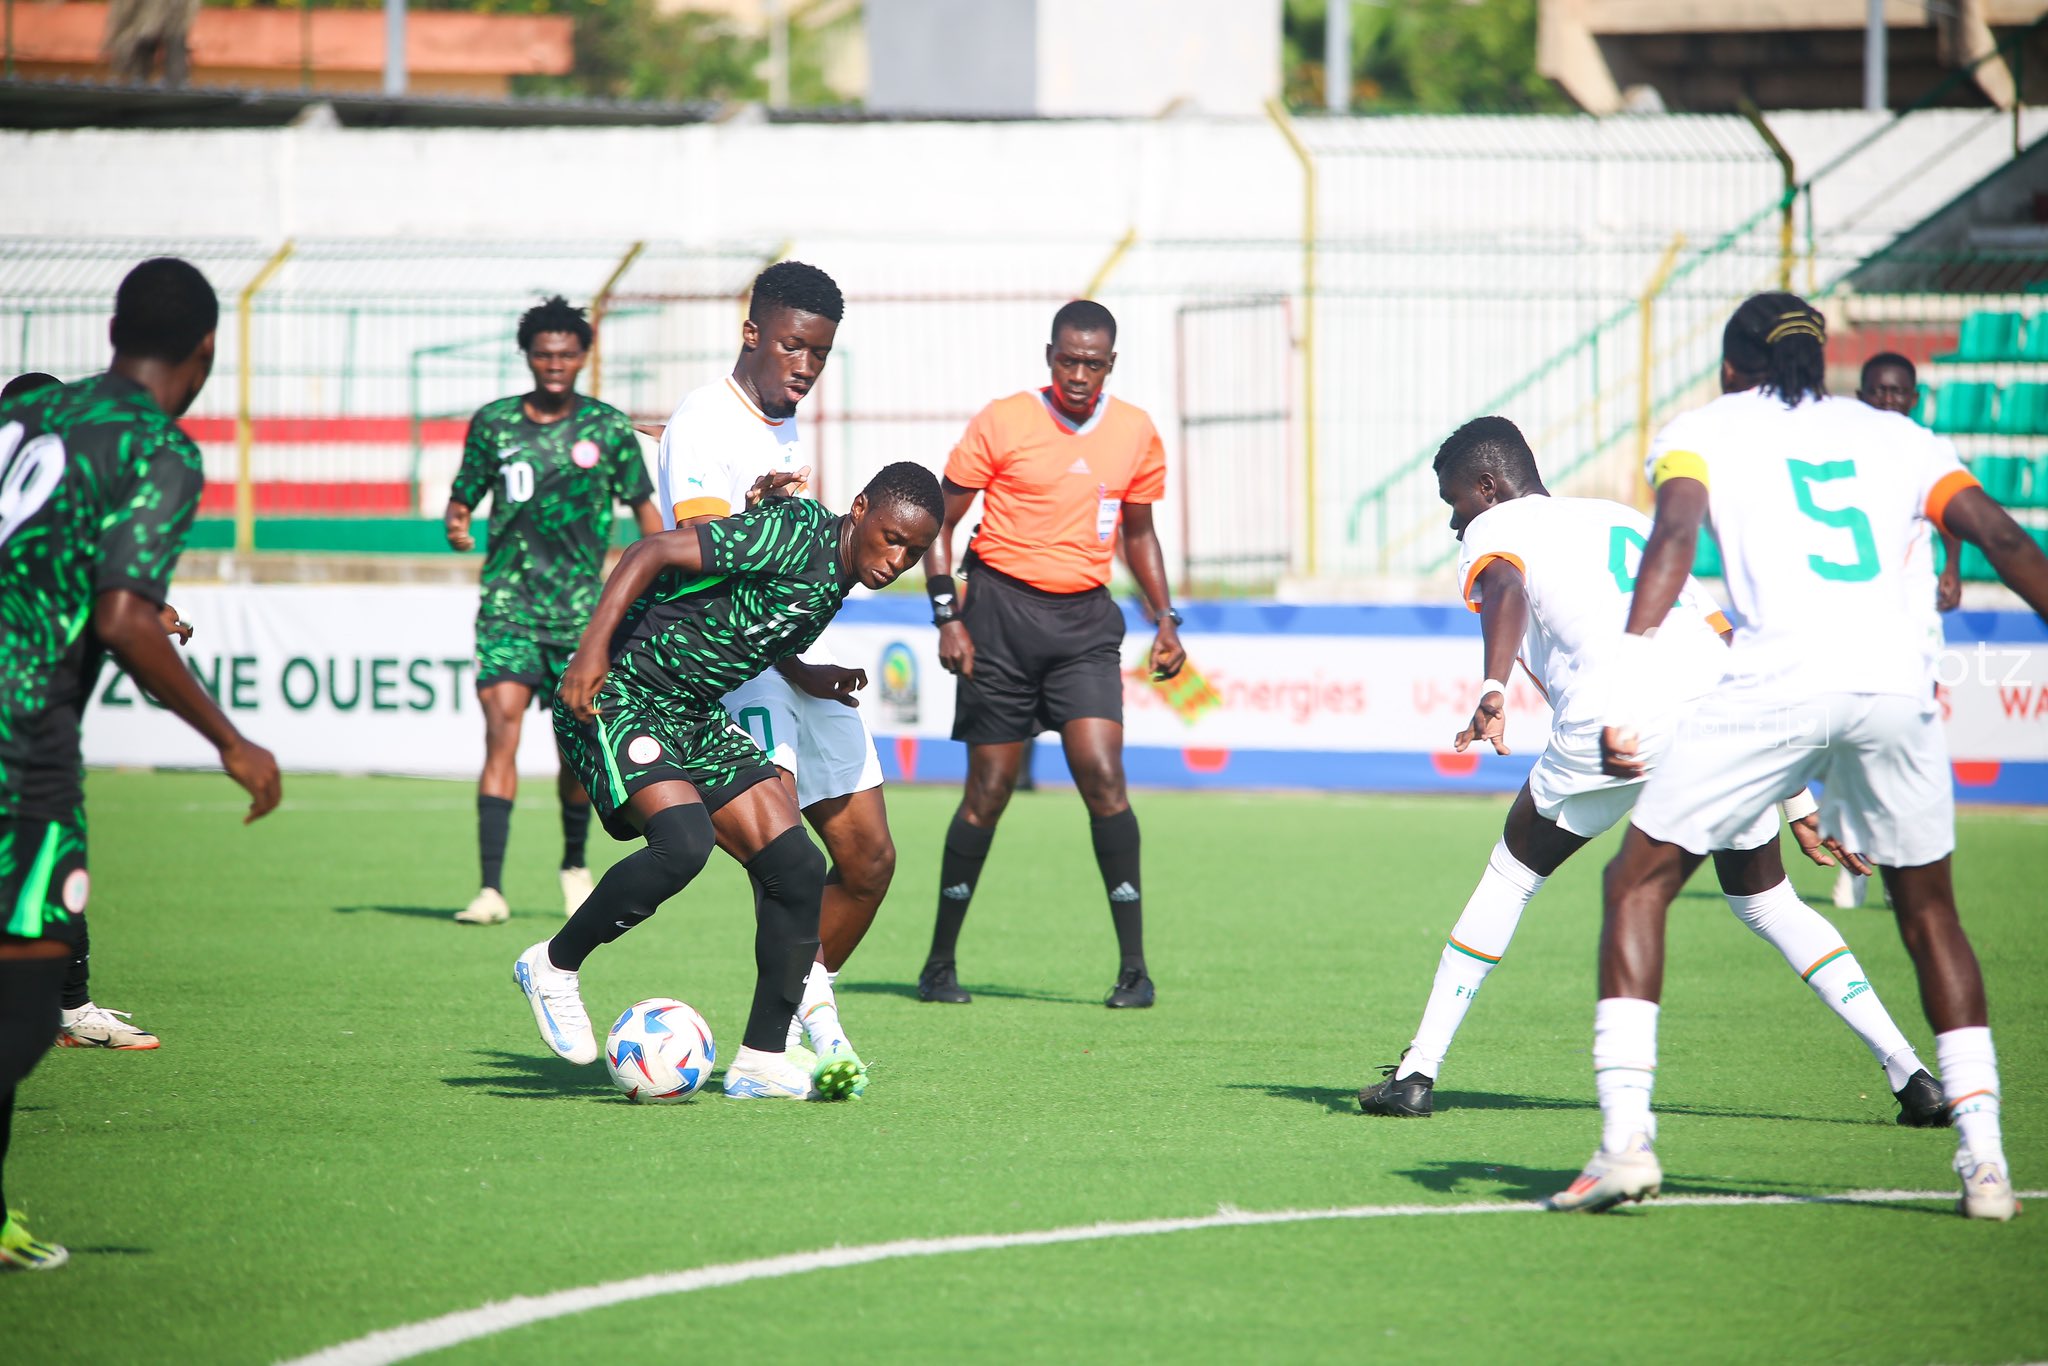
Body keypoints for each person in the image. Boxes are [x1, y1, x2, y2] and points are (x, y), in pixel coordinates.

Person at [1552, 293, 2048, 1219]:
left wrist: (1624, 689)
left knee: (1639, 883)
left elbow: (1670, 541)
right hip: (1894, 687)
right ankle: (1985, 1164)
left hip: (1775, 682)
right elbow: (2003, 538)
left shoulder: (1702, 430)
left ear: (1733, 367)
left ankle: (1624, 1143)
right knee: (1929, 912)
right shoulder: (1898, 436)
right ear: (1823, 365)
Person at [1358, 417, 1940, 1125]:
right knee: (1767, 902)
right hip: (1719, 718)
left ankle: (1417, 1073)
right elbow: (1720, 641)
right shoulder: (1622, 519)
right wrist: (1794, 796)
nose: (1454, 523)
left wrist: (1491, 688)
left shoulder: (1496, 527)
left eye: (1454, 502)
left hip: (1613, 723)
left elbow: (1505, 591)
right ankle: (1911, 1074)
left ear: (1487, 487)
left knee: (1511, 875)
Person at [0, 259, 282, 1270]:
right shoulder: (160, 447)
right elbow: (122, 615)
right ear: (207, 350)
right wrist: (232, 739)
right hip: (18, 732)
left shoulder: (35, 410)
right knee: (32, 998)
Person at [512, 464, 942, 1102]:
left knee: (795, 866)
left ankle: (760, 1061)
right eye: (891, 537)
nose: (898, 558)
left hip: (691, 713)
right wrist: (591, 653)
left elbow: (756, 622)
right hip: (623, 689)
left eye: (915, 550)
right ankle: (553, 964)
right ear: (859, 509)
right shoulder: (797, 533)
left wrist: (805, 674)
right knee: (682, 843)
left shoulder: (835, 578)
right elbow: (651, 550)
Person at [652, 261, 889, 1079]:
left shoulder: (778, 420)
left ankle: (796, 1005)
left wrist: (806, 668)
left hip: (784, 660)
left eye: (820, 354)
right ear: (752, 333)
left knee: (868, 860)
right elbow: (710, 568)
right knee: (785, 849)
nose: (806, 367)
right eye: (794, 346)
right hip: (733, 670)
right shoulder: (705, 421)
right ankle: (789, 1032)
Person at [916, 300, 1184, 1009]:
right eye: (1068, 359)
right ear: (1049, 355)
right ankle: (939, 963)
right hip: (997, 618)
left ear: (1111, 364)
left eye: (1093, 363)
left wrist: (1165, 618)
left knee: (1102, 774)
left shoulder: (1135, 432)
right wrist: (947, 614)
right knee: (988, 794)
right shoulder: (1004, 420)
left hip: (1084, 626)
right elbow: (937, 523)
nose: (1078, 373)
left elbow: (1138, 534)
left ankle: (1134, 970)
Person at [445, 296, 662, 926]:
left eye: (567, 354)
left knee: (575, 752)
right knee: (500, 730)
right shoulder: (494, 424)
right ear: (528, 357)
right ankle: (490, 889)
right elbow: (461, 501)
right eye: (544, 354)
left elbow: (647, 514)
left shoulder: (606, 430)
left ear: (583, 357)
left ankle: (573, 864)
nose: (555, 364)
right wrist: (457, 524)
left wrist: (665, 566)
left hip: (580, 620)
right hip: (508, 609)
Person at [1835, 352, 1962, 908]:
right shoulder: (1847, 451)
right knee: (1854, 742)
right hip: (1858, 616)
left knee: (1908, 742)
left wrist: (1953, 567)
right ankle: (1856, 858)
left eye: (1898, 392)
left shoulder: (1930, 449)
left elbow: (1957, 513)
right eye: (1878, 392)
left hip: (1914, 625)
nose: (1889, 401)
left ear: (1914, 399)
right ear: (1864, 397)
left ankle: (1903, 868)